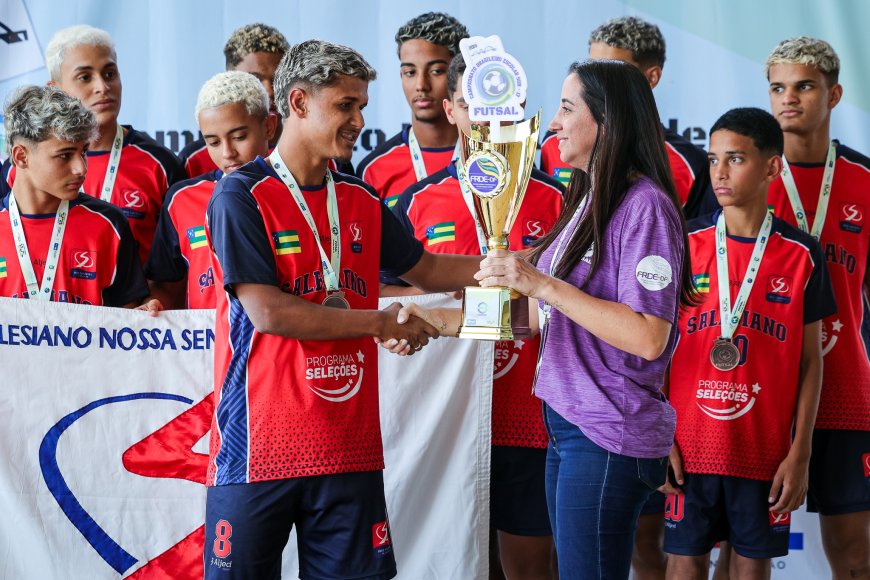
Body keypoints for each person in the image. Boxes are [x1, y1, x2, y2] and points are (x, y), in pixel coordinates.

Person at [388, 59, 695, 580]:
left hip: (606, 432)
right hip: (569, 426)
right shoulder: (589, 199)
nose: (552, 122)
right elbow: (532, 316)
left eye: (567, 108)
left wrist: (542, 282)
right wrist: (437, 321)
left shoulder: (645, 206)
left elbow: (648, 336)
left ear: (608, 122)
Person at [203, 39, 481, 579]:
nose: (358, 120)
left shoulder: (361, 197)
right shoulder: (240, 195)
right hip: (258, 447)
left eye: (361, 107)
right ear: (300, 103)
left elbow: (426, 269)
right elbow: (269, 314)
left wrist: (522, 265)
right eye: (346, 105)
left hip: (348, 448)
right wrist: (379, 323)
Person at [383, 52, 564, 580]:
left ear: (521, 110)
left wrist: (462, 310)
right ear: (451, 110)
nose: (485, 120)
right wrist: (448, 309)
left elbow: (557, 310)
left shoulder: (560, 202)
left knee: (530, 568)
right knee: (450, 562)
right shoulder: (418, 202)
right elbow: (385, 291)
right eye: (471, 105)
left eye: (498, 106)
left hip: (532, 416)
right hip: (445, 417)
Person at [661, 107, 835, 579]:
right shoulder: (682, 241)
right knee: (683, 566)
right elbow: (652, 344)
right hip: (688, 442)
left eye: (735, 158)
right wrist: (660, 435)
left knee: (751, 571)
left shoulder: (802, 253)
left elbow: (810, 362)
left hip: (766, 447)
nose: (719, 171)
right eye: (714, 158)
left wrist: (801, 454)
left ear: (772, 167)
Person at [764, 37, 870, 580]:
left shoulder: (866, 181)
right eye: (778, 88)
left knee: (854, 559)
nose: (789, 99)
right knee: (747, 555)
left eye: (804, 86)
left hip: (848, 389)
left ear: (834, 95)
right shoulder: (748, 178)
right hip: (764, 392)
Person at [0, 25, 186, 267]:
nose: (102, 87)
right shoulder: (18, 169)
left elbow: (178, 267)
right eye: (85, 77)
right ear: (55, 89)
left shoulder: (161, 163)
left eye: (110, 74)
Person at [540, 16, 713, 222]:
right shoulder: (555, 141)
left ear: (652, 77)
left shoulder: (690, 162)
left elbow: (695, 243)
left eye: (611, 68)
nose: (593, 79)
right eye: (591, 66)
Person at [0, 85, 148, 307]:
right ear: (21, 157)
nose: (81, 168)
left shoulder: (110, 225)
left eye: (83, 152)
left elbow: (128, 323)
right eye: (64, 155)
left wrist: (145, 317)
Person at [146, 71, 277, 310]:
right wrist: (154, 306)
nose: (227, 152)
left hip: (276, 342)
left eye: (239, 137)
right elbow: (166, 285)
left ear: (269, 126)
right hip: (204, 344)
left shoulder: (293, 192)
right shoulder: (181, 199)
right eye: (213, 142)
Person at [356, 11, 468, 209]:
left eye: (436, 71)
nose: (421, 85)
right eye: (410, 72)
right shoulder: (373, 169)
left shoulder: (494, 157)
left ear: (460, 74)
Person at [178, 23, 289, 178]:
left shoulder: (312, 153)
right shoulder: (193, 160)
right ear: (230, 78)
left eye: (278, 79)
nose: (269, 90)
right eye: (254, 79)